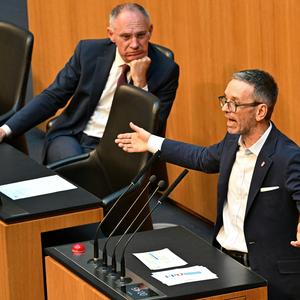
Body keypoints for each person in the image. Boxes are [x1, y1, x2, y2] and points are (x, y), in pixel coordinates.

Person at [115, 69, 300, 300]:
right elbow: (202, 158)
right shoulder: (232, 141)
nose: (225, 109)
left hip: (267, 275)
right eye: (224, 100)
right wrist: (151, 142)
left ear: (260, 111)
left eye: (234, 104)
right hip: (223, 262)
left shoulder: (288, 156)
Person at [0, 2, 179, 164]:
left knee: (84, 180)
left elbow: (152, 128)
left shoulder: (165, 70)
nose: (134, 44)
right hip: (74, 134)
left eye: (141, 35)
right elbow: (53, 96)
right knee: (71, 168)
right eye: (126, 36)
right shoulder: (88, 52)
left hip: (123, 147)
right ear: (111, 35)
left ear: (150, 31)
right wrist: (6, 129)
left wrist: (140, 83)